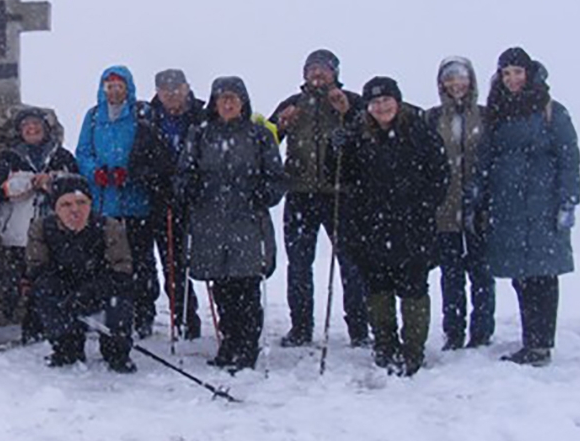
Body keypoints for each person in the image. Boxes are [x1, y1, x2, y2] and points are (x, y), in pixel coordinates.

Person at [333, 77, 448, 376]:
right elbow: (342, 177)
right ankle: (384, 345)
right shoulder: (359, 134)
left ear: (397, 101)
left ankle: (412, 349)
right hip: (371, 226)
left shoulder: (420, 130)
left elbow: (440, 175)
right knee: (377, 288)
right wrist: (337, 150)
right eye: (375, 102)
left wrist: (421, 205)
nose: (381, 107)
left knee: (413, 289)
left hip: (412, 227)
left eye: (386, 100)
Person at [177, 77, 286, 372]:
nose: (227, 104)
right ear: (214, 103)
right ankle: (229, 341)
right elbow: (183, 173)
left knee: (247, 285)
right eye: (222, 98)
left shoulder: (259, 135)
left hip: (248, 222)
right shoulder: (199, 134)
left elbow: (277, 178)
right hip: (210, 221)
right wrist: (191, 188)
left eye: (233, 98)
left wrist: (263, 193)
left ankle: (247, 346)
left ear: (243, 102)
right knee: (221, 286)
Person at [480, 47, 580, 367]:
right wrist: (479, 197)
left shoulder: (552, 111)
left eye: (517, 72)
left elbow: (569, 159)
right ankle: (531, 339)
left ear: (530, 73)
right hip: (507, 207)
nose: (512, 79)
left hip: (543, 206)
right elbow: (487, 159)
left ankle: (540, 346)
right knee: (521, 276)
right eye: (506, 73)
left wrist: (568, 200)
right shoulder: (496, 112)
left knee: (543, 275)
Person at [268, 49, 369, 347]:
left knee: (350, 264)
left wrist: (348, 112)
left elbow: (371, 132)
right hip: (299, 193)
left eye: (324, 69)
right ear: (303, 74)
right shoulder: (292, 104)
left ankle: (359, 330)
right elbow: (265, 141)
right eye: (312, 69)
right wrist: (281, 126)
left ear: (335, 72)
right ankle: (300, 327)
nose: (317, 74)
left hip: (340, 194)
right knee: (299, 265)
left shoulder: (350, 101)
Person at [75, 65, 154, 337]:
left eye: (119, 86)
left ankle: (144, 313)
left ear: (128, 89)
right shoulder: (94, 116)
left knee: (140, 261)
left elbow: (149, 151)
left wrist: (130, 173)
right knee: (104, 262)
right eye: (110, 86)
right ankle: (106, 311)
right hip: (102, 202)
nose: (114, 91)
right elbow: (82, 151)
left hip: (135, 202)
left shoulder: (139, 115)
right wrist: (95, 171)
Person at [28, 174, 136, 373]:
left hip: (101, 287)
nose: (75, 210)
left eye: (81, 202)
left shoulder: (109, 227)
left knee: (119, 300)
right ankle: (65, 347)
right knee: (46, 296)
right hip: (63, 288)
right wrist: (60, 289)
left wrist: (93, 290)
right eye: (66, 204)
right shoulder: (42, 229)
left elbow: (122, 270)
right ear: (55, 208)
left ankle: (116, 351)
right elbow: (37, 268)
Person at [130, 68, 205, 341]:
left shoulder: (201, 115)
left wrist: (190, 182)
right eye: (165, 89)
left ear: (186, 88)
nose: (171, 94)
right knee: (143, 263)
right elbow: (136, 160)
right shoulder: (146, 117)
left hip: (186, 202)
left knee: (176, 264)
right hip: (149, 200)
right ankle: (144, 316)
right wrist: (154, 178)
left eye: (176, 88)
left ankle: (185, 318)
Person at [425, 57, 494, 350]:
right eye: (449, 78)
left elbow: (495, 160)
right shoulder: (431, 118)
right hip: (444, 211)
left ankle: (481, 332)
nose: (456, 83)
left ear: (471, 81)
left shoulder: (487, 116)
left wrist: (485, 195)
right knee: (450, 274)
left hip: (480, 211)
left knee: (481, 272)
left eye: (461, 77)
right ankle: (453, 332)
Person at [0, 107, 79, 340]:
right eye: (26, 126)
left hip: (56, 227)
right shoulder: (8, 157)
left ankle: (54, 324)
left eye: (36, 124)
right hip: (19, 228)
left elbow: (77, 186)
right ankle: (29, 325)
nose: (31, 129)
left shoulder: (63, 156)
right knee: (24, 278)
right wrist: (30, 182)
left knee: (53, 275)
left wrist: (52, 181)